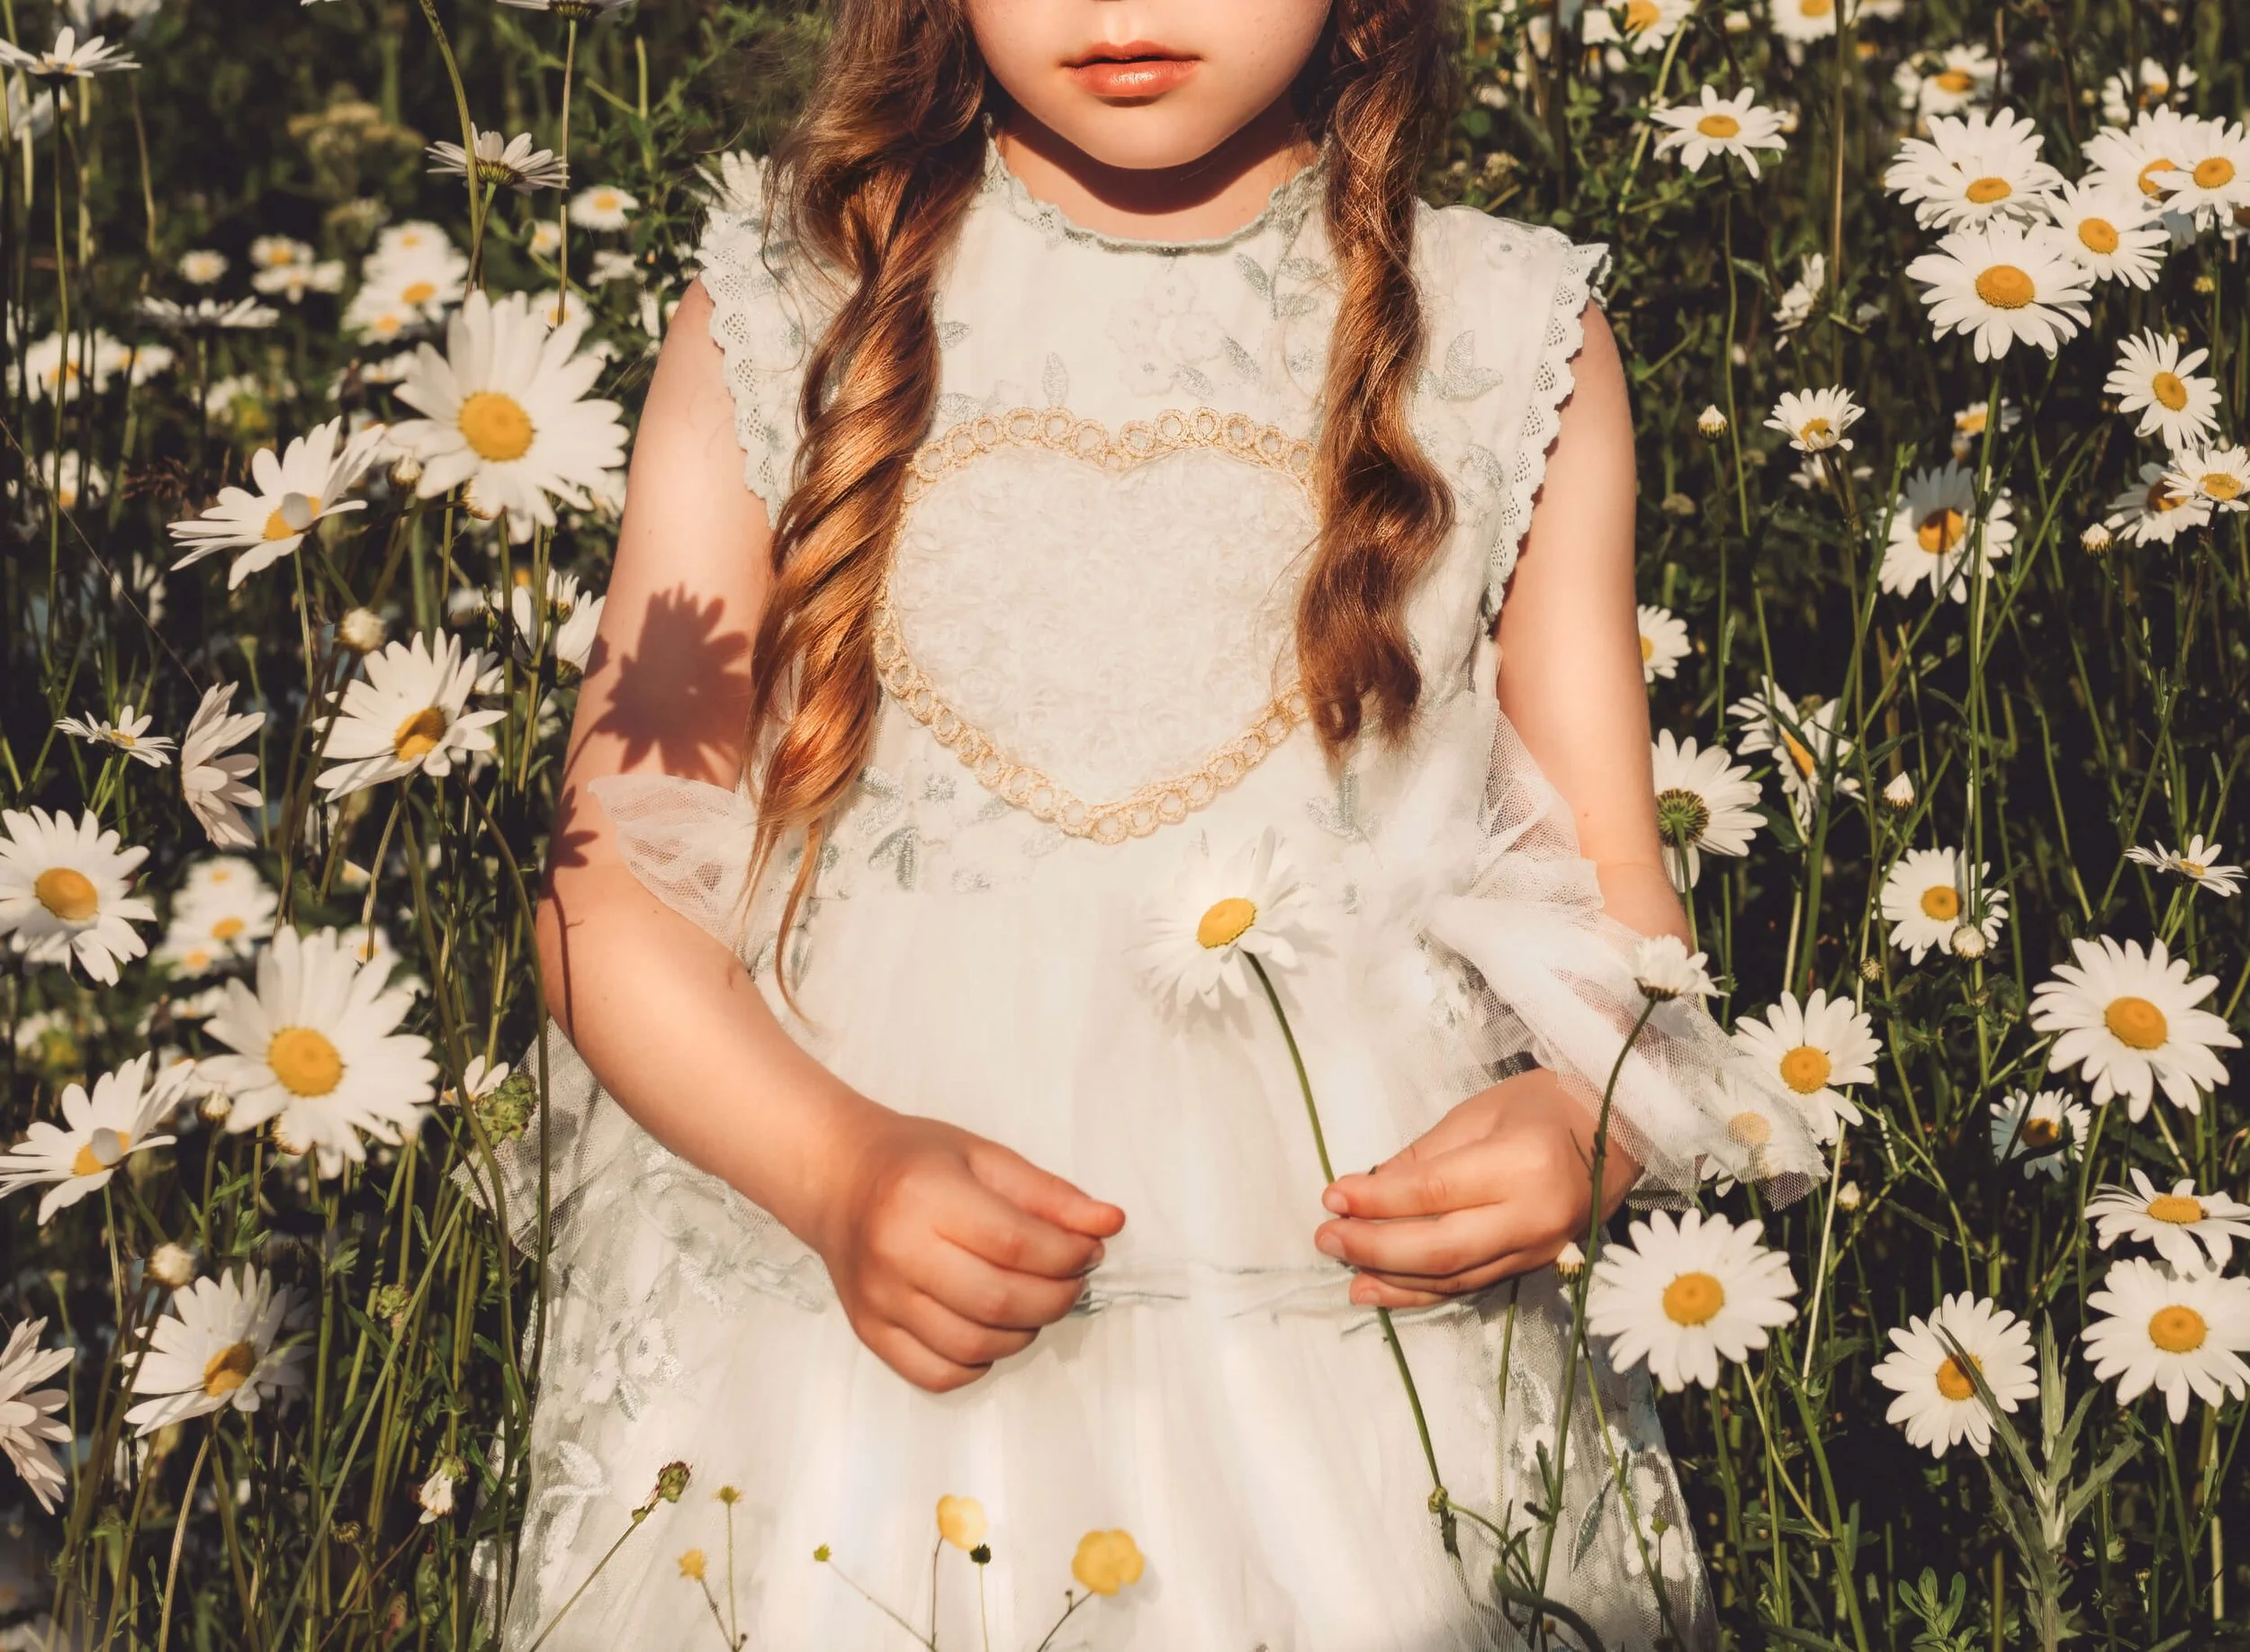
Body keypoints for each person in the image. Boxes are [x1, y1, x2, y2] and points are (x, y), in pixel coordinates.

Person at [500, 2, 1818, 1644]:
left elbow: (1619, 908)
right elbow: (606, 883)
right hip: (862, 1341)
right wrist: (837, 1176)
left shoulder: (1503, 327)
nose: (1120, 12)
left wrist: (1583, 1120)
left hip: (1349, 1335)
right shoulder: (785, 308)